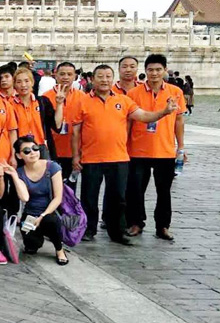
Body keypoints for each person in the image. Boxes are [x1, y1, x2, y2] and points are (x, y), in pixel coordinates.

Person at [71, 64, 178, 244]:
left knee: (118, 198)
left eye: (108, 76)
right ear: (93, 79)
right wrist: (76, 156)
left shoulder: (124, 100)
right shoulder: (82, 101)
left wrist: (164, 112)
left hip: (118, 157)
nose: (104, 80)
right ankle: (88, 229)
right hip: (91, 157)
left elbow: (143, 116)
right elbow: (75, 132)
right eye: (100, 76)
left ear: (112, 79)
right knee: (89, 197)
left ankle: (117, 232)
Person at [126, 54, 187, 241]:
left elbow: (179, 120)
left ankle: (163, 226)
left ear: (165, 70)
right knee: (136, 189)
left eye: (158, 69)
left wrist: (181, 147)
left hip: (165, 149)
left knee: (164, 191)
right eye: (151, 70)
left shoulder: (175, 92)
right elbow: (128, 122)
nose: (154, 73)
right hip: (138, 149)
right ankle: (136, 222)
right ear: (145, 71)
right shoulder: (133, 93)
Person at [5, 137, 68, 265]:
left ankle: (59, 249)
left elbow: (58, 198)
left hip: (50, 212)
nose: (32, 153)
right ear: (19, 155)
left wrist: (43, 216)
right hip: (30, 215)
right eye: (27, 151)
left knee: (50, 221)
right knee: (31, 247)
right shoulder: (20, 172)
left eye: (35, 148)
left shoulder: (52, 167)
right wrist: (14, 176)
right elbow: (25, 198)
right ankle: (37, 238)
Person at [42, 62, 83, 188]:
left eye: (69, 74)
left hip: (73, 151)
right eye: (62, 74)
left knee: (70, 189)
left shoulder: (82, 97)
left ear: (75, 76)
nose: (66, 77)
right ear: (55, 75)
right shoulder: (45, 97)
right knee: (51, 189)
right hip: (53, 150)